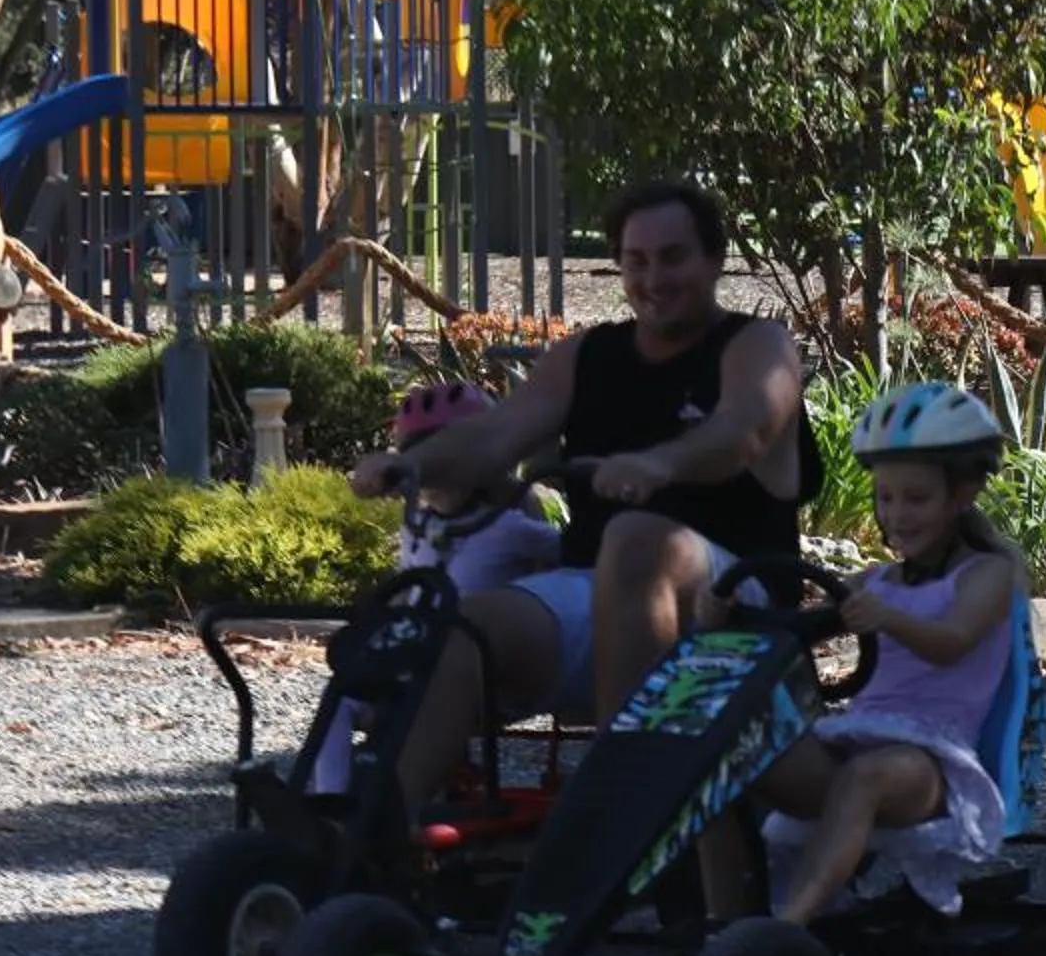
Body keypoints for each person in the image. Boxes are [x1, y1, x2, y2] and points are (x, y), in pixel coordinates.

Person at [347, 177, 818, 827]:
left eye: (674, 257)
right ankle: (374, 846)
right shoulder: (587, 356)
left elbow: (744, 432)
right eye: (637, 261)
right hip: (599, 592)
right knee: (463, 626)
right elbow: (493, 438)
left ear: (713, 261)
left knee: (636, 540)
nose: (655, 278)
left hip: (734, 601)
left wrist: (661, 463)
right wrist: (411, 463)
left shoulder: (757, 347)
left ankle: (614, 806)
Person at [753, 383, 1024, 925]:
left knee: (866, 777)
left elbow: (952, 641)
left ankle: (788, 926)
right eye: (886, 497)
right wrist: (743, 616)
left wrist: (886, 618)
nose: (898, 515)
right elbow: (809, 618)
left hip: (936, 763)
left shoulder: (988, 574)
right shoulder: (875, 581)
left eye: (916, 498)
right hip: (857, 738)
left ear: (963, 494)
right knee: (744, 754)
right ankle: (726, 913)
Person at [309, 382, 560, 797]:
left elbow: (569, 555)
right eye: (424, 462)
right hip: (418, 653)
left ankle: (378, 803)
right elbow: (410, 587)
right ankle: (329, 801)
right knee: (339, 697)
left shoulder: (508, 527)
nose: (431, 476)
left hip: (478, 667)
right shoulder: (418, 525)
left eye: (446, 461)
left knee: (409, 699)